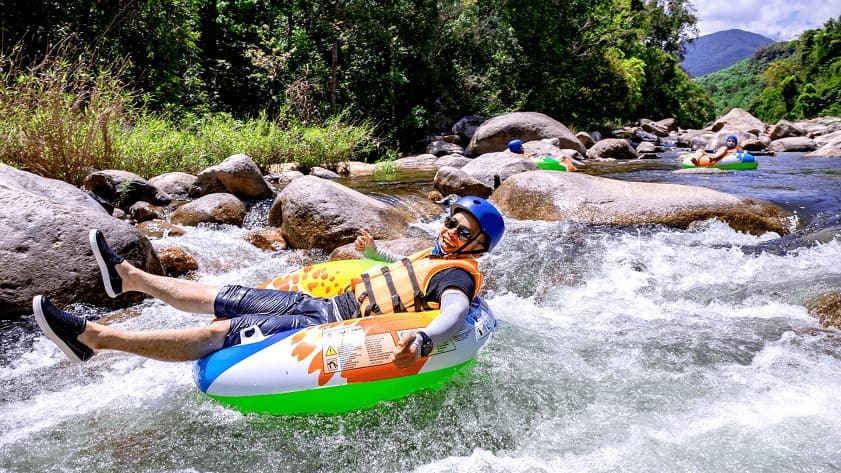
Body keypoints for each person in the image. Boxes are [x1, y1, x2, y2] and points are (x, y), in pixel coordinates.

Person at [33, 196, 505, 370]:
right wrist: (373, 254)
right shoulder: (438, 254)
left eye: (463, 231)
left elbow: (455, 313)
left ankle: (94, 340)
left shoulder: (455, 275)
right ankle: (130, 278)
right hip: (323, 304)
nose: (449, 231)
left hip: (331, 328)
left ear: (477, 247)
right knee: (225, 296)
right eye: (450, 220)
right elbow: (400, 269)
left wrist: (424, 338)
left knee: (222, 330)